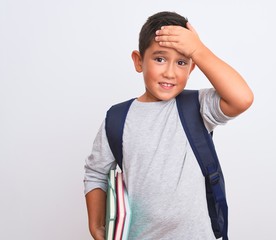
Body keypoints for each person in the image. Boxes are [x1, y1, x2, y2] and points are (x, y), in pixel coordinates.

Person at [84, 11, 254, 240]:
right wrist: (96, 225)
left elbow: (242, 98)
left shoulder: (197, 107)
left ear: (192, 68)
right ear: (138, 60)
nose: (170, 72)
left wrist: (198, 50)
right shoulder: (117, 118)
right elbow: (96, 173)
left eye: (182, 62)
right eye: (160, 59)